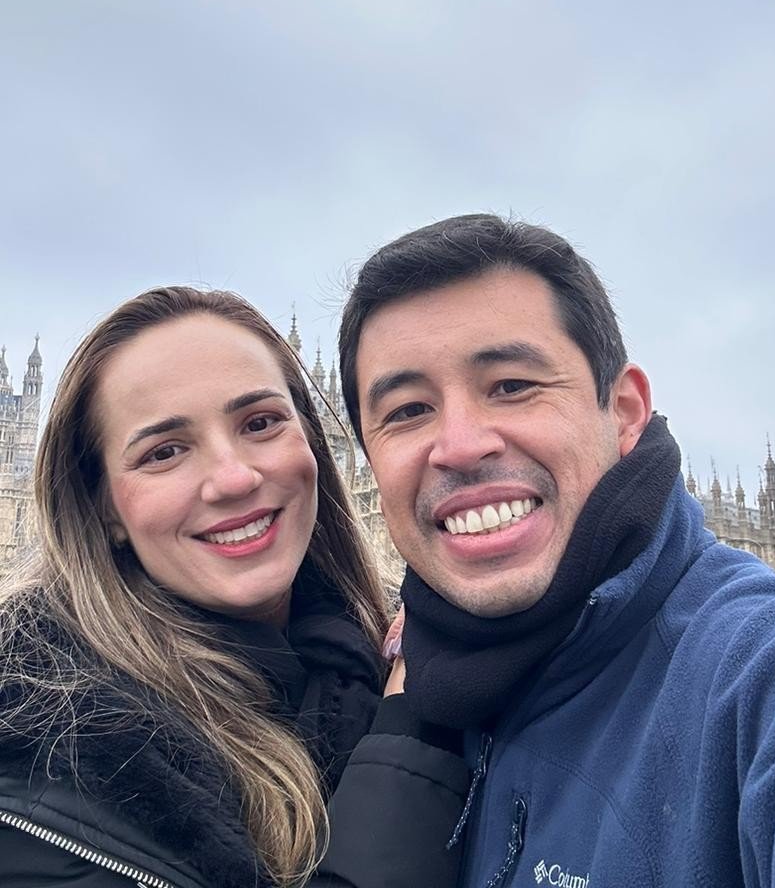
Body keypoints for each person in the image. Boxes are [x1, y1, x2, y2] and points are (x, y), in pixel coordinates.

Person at [338, 213, 775, 888]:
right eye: (407, 410)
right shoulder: (395, 693)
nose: (461, 445)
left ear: (625, 411)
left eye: (512, 385)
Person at [0, 287, 467, 888]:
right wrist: (404, 747)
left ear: (313, 440)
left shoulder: (411, 656)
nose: (233, 478)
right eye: (164, 451)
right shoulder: (38, 773)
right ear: (102, 507)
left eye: (261, 422)